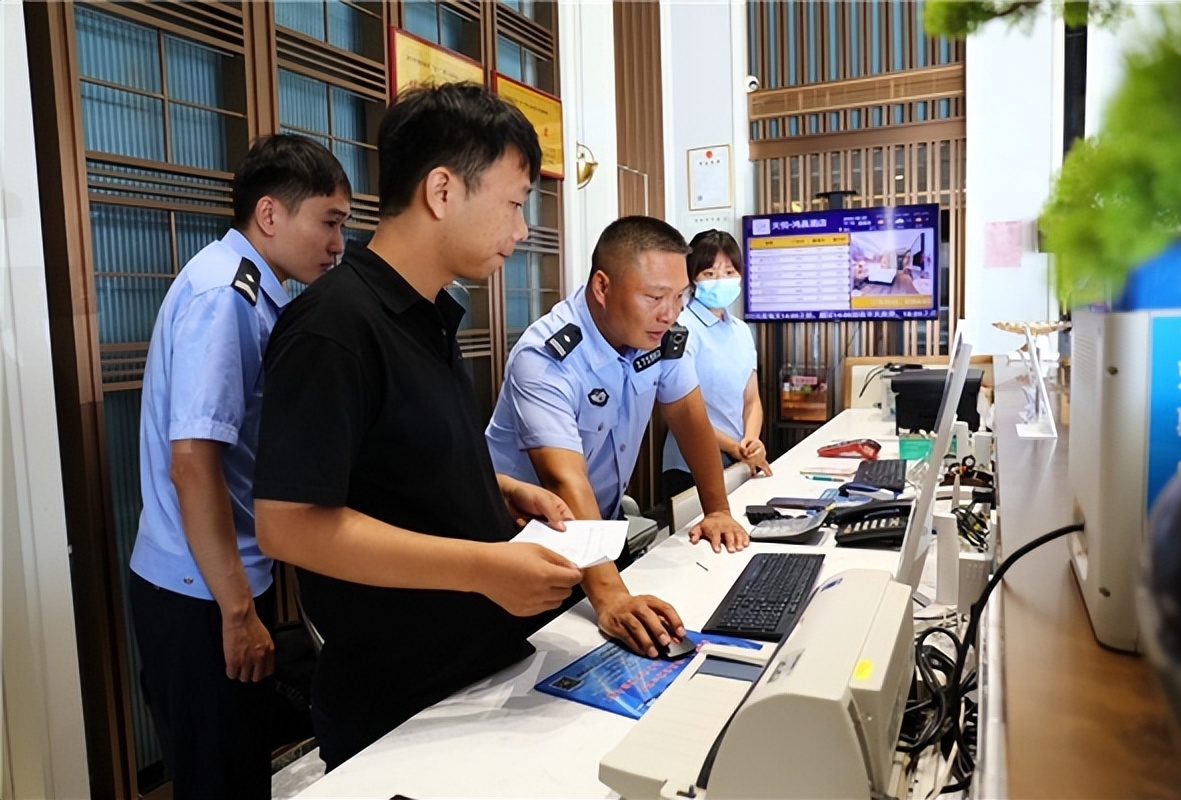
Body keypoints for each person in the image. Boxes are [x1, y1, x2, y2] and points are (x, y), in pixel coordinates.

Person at [251, 82, 584, 772]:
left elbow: (391, 458)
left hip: (478, 673)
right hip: (400, 706)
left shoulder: (428, 315)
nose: (522, 231)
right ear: (441, 190)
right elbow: (289, 523)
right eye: (515, 203)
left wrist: (498, 489)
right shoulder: (335, 326)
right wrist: (485, 566)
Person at [128, 134, 351, 800]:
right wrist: (234, 612)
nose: (339, 244)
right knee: (219, 779)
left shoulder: (251, 291)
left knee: (236, 767)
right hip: (199, 592)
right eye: (330, 222)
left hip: (213, 577)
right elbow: (193, 461)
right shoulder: (225, 296)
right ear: (270, 215)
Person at [486, 215, 751, 660]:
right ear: (602, 287)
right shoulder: (547, 356)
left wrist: (718, 510)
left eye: (680, 296)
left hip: (597, 530)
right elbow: (563, 481)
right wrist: (609, 597)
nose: (670, 313)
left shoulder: (664, 336)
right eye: (653, 297)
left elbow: (690, 418)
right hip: (522, 541)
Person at [660, 229, 771, 501]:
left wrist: (751, 442)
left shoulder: (741, 330)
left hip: (739, 459)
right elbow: (683, 413)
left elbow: (751, 400)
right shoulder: (681, 328)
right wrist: (736, 448)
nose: (721, 280)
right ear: (692, 279)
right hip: (689, 465)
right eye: (709, 274)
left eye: (729, 272)